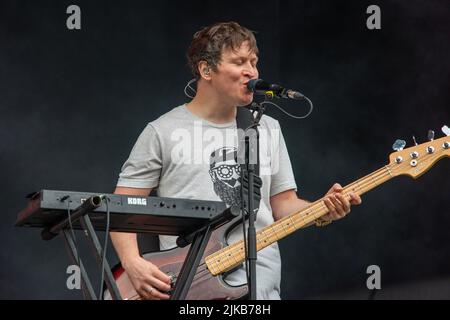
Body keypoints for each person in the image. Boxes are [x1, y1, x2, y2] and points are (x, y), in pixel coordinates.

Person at [110, 21, 362, 300]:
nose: (251, 71)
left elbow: (283, 205)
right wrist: (133, 264)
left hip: (260, 284)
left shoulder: (267, 128)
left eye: (254, 62)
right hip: (191, 283)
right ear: (206, 70)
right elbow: (121, 208)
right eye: (239, 61)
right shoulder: (162, 131)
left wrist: (321, 211)